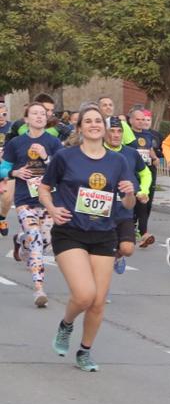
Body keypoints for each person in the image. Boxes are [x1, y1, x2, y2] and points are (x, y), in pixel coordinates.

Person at [36, 110, 137, 371]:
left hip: (103, 233)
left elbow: (127, 204)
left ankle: (85, 351)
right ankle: (66, 325)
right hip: (69, 230)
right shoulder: (65, 156)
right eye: (88, 121)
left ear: (105, 129)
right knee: (84, 295)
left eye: (98, 121)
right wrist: (52, 209)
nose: (94, 125)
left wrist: (129, 194)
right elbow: (45, 187)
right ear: (80, 127)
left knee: (98, 301)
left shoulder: (118, 161)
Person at [2, 102, 65, 307]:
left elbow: (63, 169)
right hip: (25, 201)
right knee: (36, 240)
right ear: (27, 119)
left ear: (46, 119)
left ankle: (21, 239)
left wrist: (46, 157)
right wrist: (14, 173)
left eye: (43, 114)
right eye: (34, 114)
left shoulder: (53, 142)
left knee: (45, 240)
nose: (39, 117)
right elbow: (3, 168)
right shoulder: (16, 143)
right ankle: (39, 289)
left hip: (48, 200)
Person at [102, 116, 152, 282]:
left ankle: (118, 255)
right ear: (104, 133)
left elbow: (145, 173)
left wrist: (144, 190)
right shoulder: (98, 151)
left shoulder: (131, 153)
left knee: (128, 249)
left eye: (119, 131)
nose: (116, 135)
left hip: (124, 210)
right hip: (102, 213)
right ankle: (101, 291)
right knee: (103, 254)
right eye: (112, 131)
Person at [127, 108, 160, 246]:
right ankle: (134, 228)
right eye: (138, 119)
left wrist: (155, 158)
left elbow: (149, 149)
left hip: (146, 173)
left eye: (143, 119)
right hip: (132, 173)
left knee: (145, 202)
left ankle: (143, 232)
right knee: (133, 203)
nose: (140, 122)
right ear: (131, 120)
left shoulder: (147, 134)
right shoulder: (127, 134)